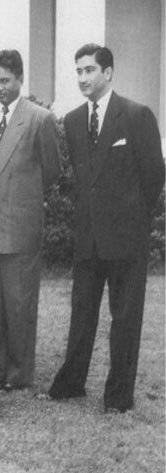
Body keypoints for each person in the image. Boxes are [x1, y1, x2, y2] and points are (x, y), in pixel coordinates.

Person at [44, 44, 164, 413]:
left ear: (108, 73)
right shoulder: (73, 120)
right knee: (82, 313)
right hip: (88, 236)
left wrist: (133, 217)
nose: (82, 78)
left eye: (90, 70)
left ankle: (118, 395)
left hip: (127, 236)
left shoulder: (136, 115)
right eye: (78, 71)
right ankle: (71, 384)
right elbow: (84, 180)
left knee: (125, 318)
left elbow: (154, 175)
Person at [0, 50, 61, 391]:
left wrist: (21, 196)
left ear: (20, 79)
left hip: (21, 225)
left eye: (5, 81)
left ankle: (19, 372)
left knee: (20, 302)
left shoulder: (39, 118)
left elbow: (51, 171)